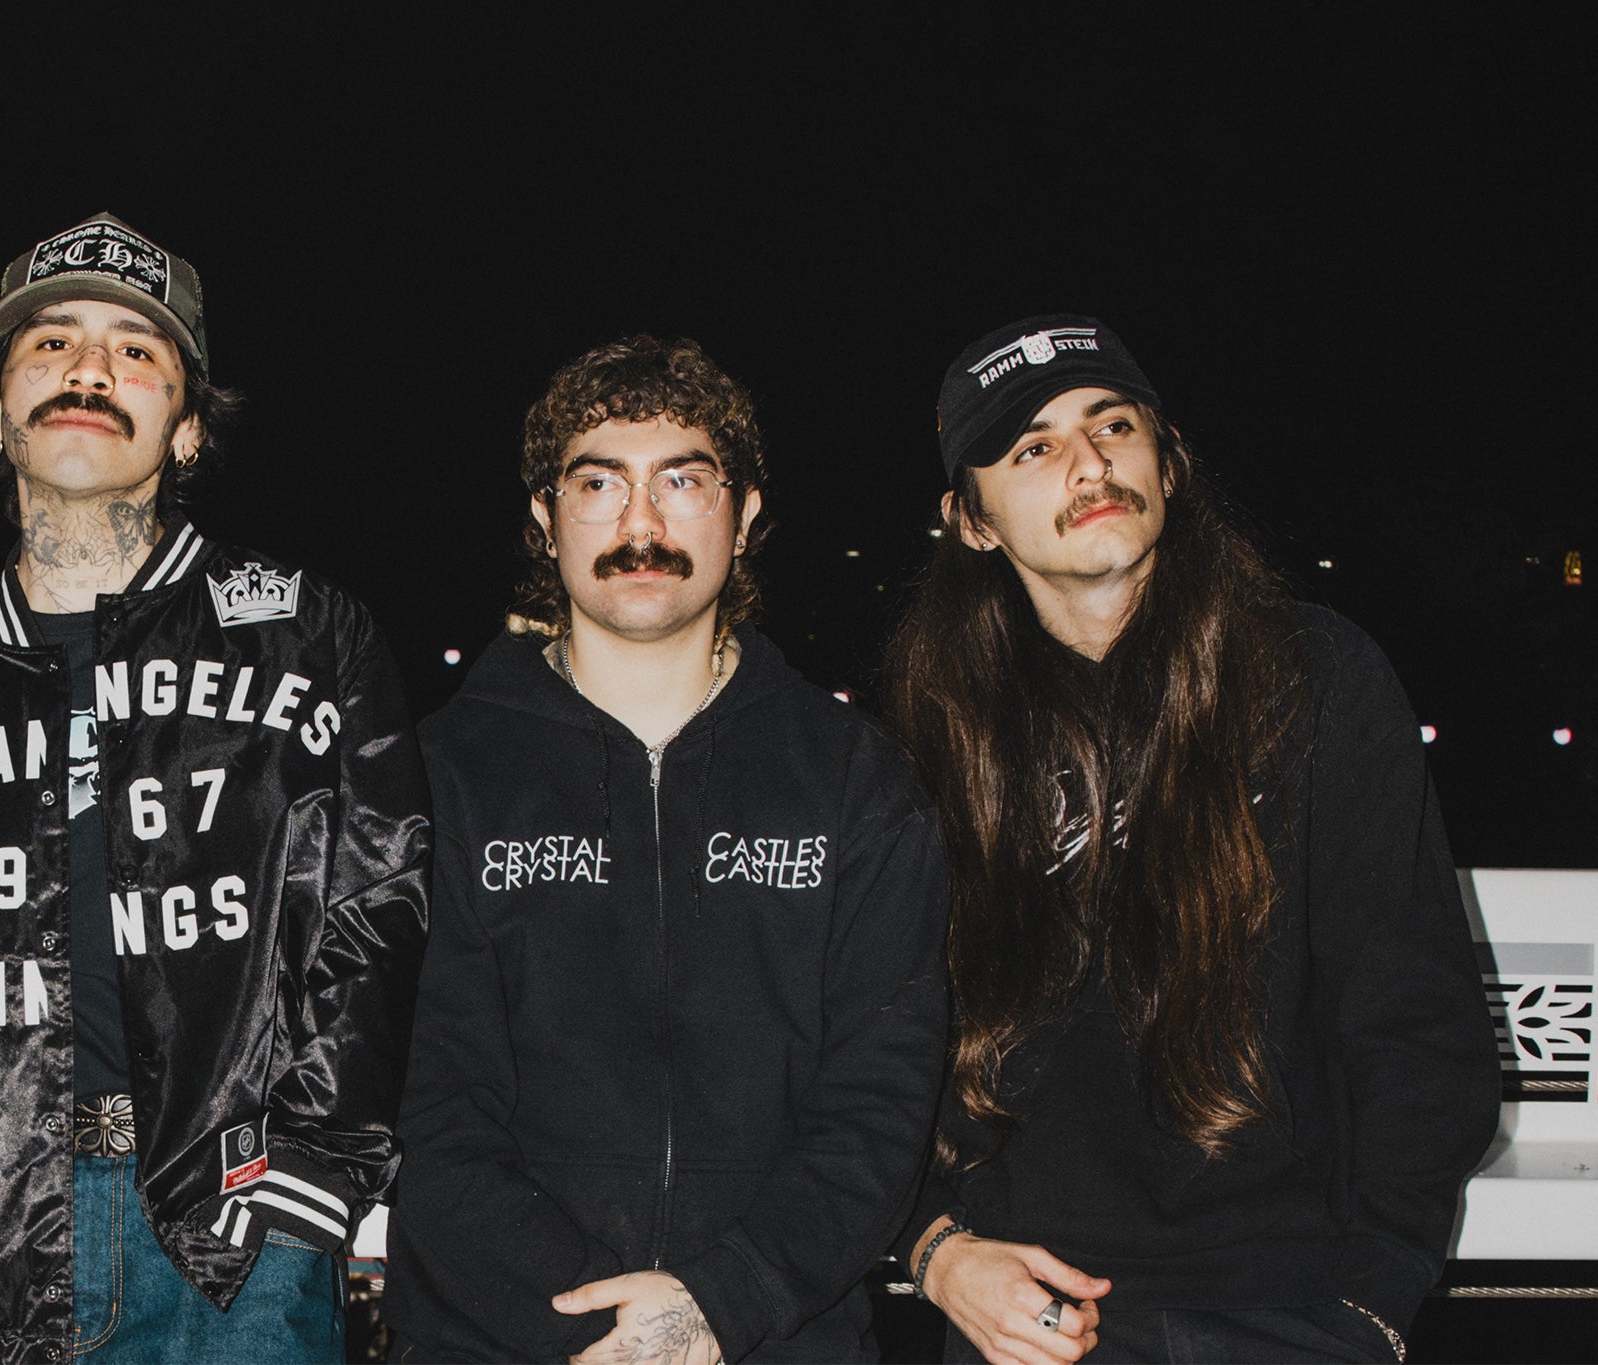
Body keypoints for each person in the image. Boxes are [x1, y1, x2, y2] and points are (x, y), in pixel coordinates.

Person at [0, 212, 430, 1365]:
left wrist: (308, 1175)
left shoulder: (306, 634)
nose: (88, 368)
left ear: (187, 427)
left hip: (230, 1238)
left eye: (135, 350)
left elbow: (376, 903)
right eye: (51, 343)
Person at [882, 315, 1500, 1364]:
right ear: (971, 521)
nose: (1089, 464)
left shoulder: (1316, 679)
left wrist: (1373, 1300)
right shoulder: (925, 739)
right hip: (1024, 1314)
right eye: (1032, 448)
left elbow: (1412, 1018)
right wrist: (936, 1250)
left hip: (1291, 1308)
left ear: (1166, 462)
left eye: (1112, 425)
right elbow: (864, 1046)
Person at [386, 335, 950, 1363]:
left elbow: (882, 1099)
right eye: (598, 483)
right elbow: (423, 1100)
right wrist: (607, 1331)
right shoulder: (437, 776)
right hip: (501, 1342)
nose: (639, 523)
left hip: (778, 1340)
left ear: (746, 514)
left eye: (683, 481)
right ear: (544, 517)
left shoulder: (854, 777)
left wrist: (722, 1304)